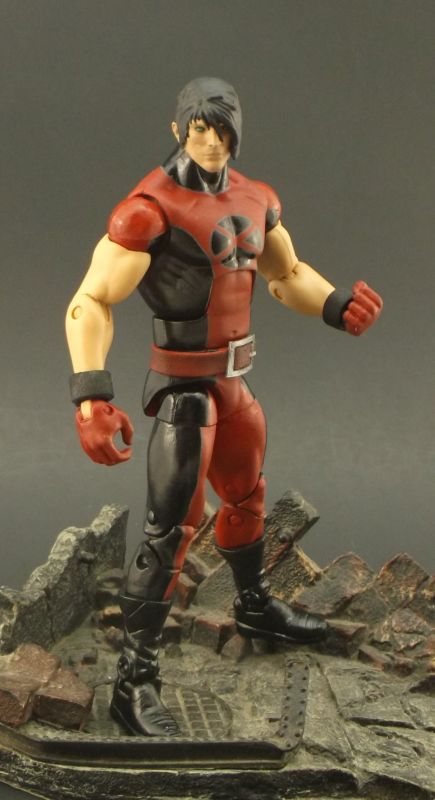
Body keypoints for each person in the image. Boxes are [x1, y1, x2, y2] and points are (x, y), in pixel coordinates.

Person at [66, 77, 383, 737]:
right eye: (200, 129)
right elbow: (91, 299)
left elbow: (285, 274)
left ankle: (253, 606)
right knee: (170, 530)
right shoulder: (146, 212)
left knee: (245, 496)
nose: (212, 141)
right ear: (178, 128)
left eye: (224, 130)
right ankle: (134, 680)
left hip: (235, 383)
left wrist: (335, 305)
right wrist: (91, 396)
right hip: (183, 391)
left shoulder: (255, 197)